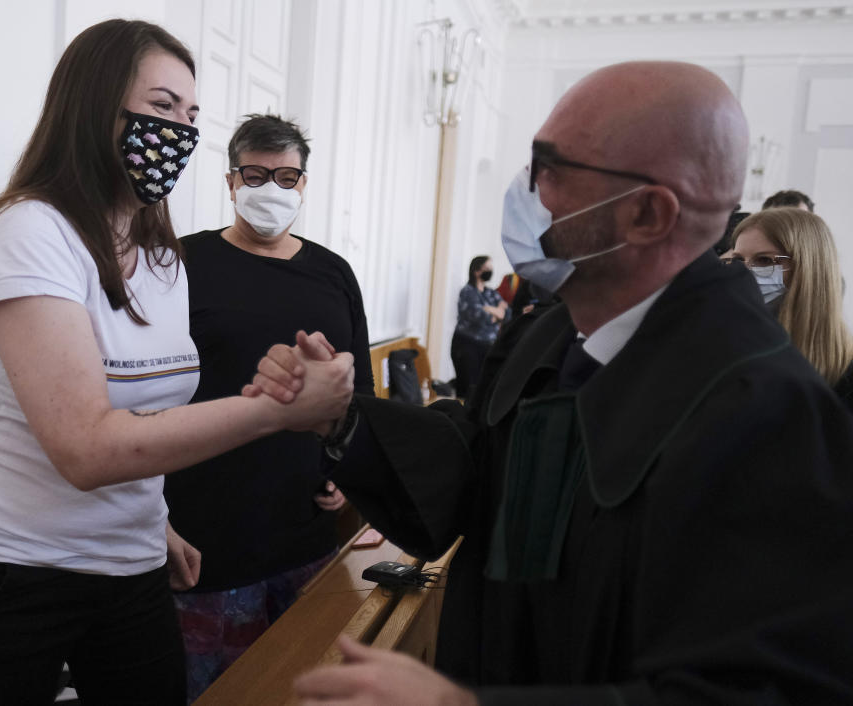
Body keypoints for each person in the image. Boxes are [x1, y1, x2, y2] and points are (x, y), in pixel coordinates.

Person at [252, 61, 853, 703]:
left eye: (553, 170)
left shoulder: (766, 408)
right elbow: (474, 479)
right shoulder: (549, 336)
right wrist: (344, 417)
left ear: (648, 214)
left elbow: (765, 690)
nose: (528, 192)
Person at [0, 20, 352, 706]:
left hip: (130, 561)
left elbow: (145, 410)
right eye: (161, 108)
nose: (180, 131)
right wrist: (272, 411)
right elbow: (86, 447)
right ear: (96, 106)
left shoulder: (160, 256)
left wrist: (153, 521)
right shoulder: (30, 231)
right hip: (9, 570)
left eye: (191, 115)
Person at [163, 114, 375, 700]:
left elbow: (361, 390)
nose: (271, 189)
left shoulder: (334, 273)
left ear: (304, 185)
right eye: (256, 174)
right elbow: (146, 397)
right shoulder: (181, 264)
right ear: (231, 182)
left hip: (306, 534)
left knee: (305, 685)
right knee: (217, 692)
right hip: (207, 537)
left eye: (286, 176)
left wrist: (348, 475)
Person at [723, 207, 853, 409]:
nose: (744, 272)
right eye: (738, 260)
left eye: (764, 260)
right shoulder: (728, 346)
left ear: (807, 267)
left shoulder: (846, 374)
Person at [450, 255, 510, 400]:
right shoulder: (468, 292)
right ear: (477, 271)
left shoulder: (490, 293)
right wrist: (497, 312)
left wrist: (489, 309)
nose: (491, 271)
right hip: (467, 346)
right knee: (467, 390)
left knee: (482, 390)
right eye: (487, 268)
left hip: (487, 346)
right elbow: (480, 317)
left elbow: (508, 313)